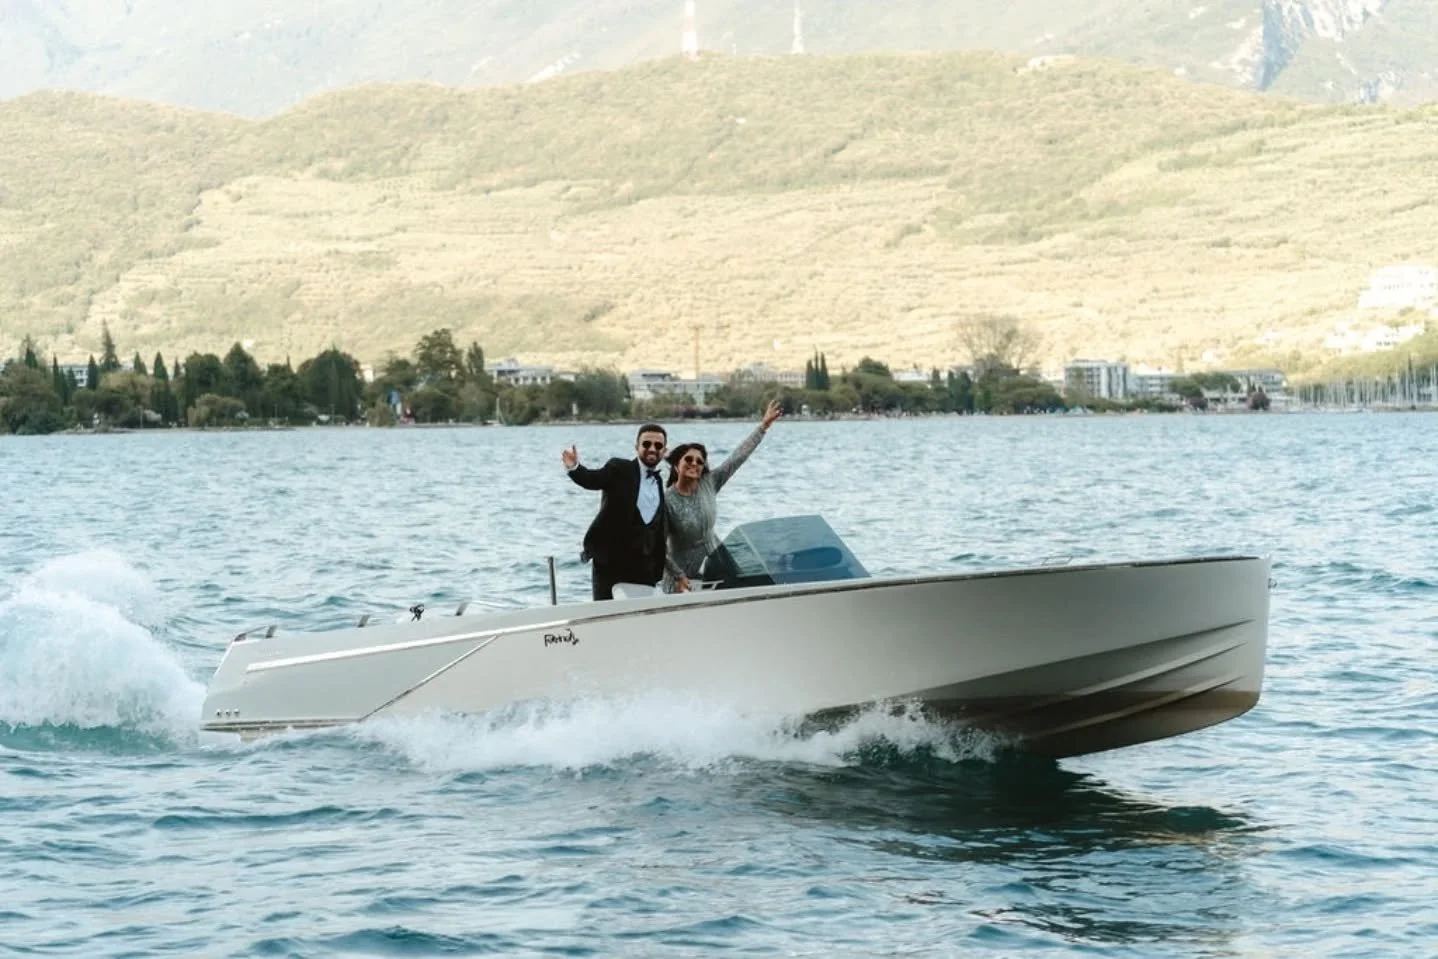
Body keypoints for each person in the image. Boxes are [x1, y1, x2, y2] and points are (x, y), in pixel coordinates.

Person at [662, 399, 782, 593]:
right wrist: (678, 575)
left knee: (758, 583)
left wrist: (763, 426)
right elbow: (658, 548)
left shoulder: (709, 482)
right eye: (689, 459)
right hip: (682, 577)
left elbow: (737, 457)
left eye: (700, 461)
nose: (695, 464)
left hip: (716, 562)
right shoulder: (667, 501)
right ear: (677, 465)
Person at [562, 423, 670, 601]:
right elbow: (593, 480)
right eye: (646, 444)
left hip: (643, 567)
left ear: (664, 451)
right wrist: (575, 467)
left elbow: (657, 529)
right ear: (636, 447)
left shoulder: (658, 482)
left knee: (642, 617)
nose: (652, 449)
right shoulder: (619, 468)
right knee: (605, 616)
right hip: (610, 564)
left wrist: (658, 570)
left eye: (658, 445)